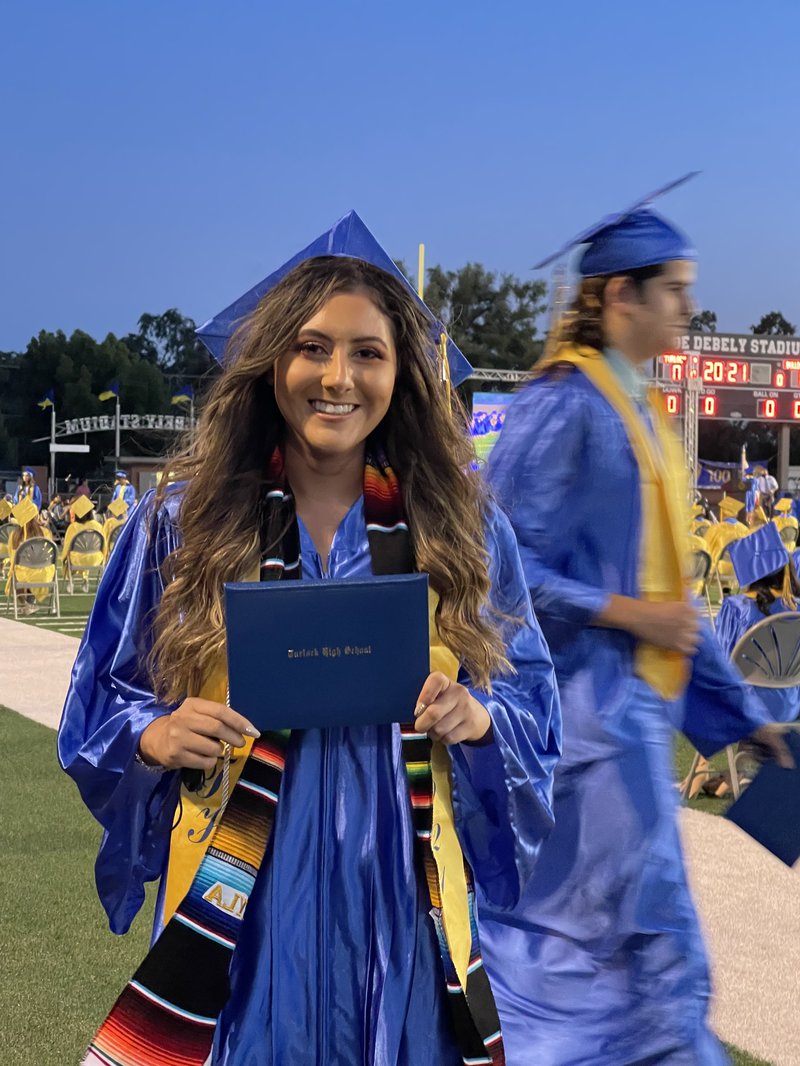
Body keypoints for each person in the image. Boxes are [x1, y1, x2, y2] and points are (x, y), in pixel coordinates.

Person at [58, 213, 561, 1066]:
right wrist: (153, 734)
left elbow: (534, 708)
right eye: (311, 347)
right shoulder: (182, 526)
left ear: (403, 373)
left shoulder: (463, 532)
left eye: (368, 351)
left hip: (401, 908)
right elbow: (99, 701)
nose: (338, 377)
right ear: (270, 367)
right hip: (244, 907)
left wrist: (479, 720)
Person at [484, 193, 787, 1065]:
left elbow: (676, 620)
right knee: (582, 969)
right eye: (675, 290)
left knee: (653, 966)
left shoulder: (646, 414)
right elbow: (496, 567)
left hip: (632, 735)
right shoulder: (559, 408)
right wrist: (625, 612)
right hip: (570, 740)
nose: (690, 308)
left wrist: (751, 723)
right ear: (621, 294)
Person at [716, 524, 800, 767]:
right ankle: (727, 778)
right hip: (792, 706)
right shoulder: (795, 608)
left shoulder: (735, 608)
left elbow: (721, 667)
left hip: (748, 709)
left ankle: (707, 773)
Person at [5, 496, 55, 613]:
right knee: (36, 570)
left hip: (23, 577)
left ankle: (23, 602)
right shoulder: (46, 533)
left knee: (17, 570)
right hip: (43, 575)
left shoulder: (15, 535)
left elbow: (12, 557)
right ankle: (31, 600)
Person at [61, 495, 105, 593]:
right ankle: (85, 578)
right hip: (96, 559)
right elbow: (104, 546)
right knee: (86, 553)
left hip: (77, 560)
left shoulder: (73, 527)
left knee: (70, 556)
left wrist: (63, 556)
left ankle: (70, 581)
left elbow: (67, 549)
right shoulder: (97, 526)